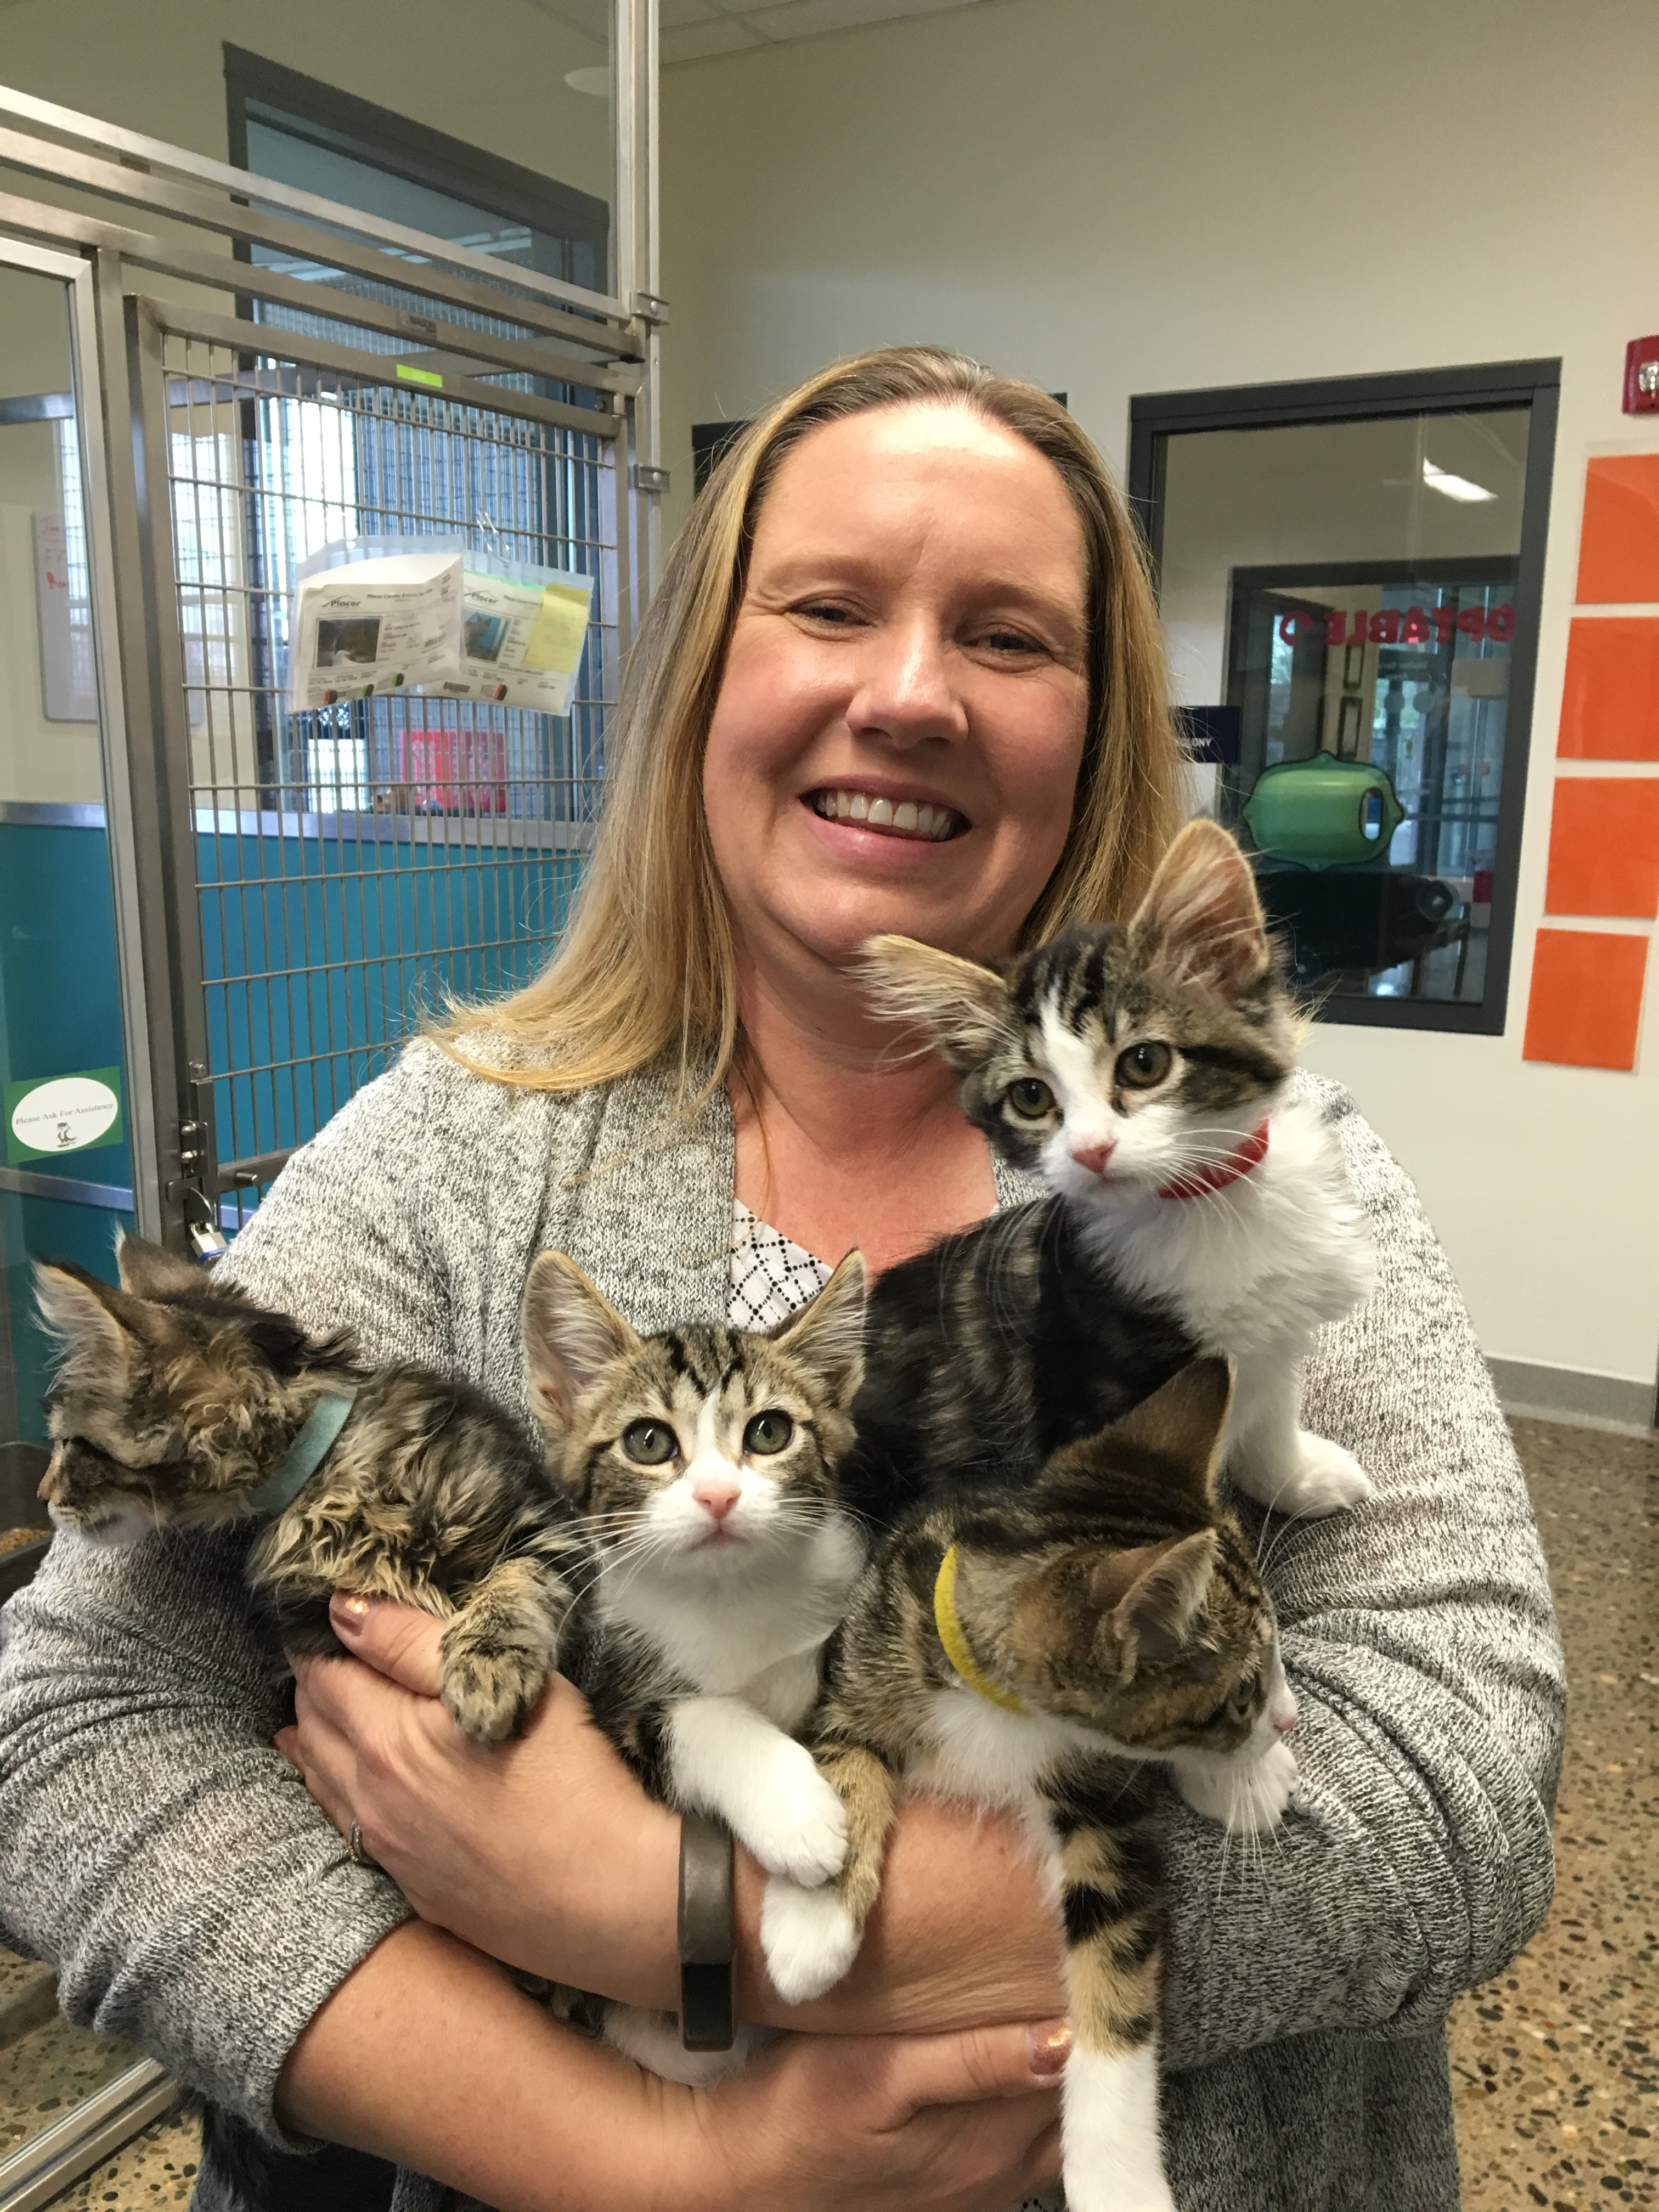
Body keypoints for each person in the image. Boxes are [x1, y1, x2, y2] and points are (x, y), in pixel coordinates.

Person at [0, 348, 1562, 2212]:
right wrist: (651, 2157)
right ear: (698, 690)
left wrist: (659, 1905)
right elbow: (70, 1743)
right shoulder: (458, 1143)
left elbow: (1466, 1765)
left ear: (1099, 724)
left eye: (1006, 636)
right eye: (825, 607)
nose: (906, 695)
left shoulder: (1260, 1178)